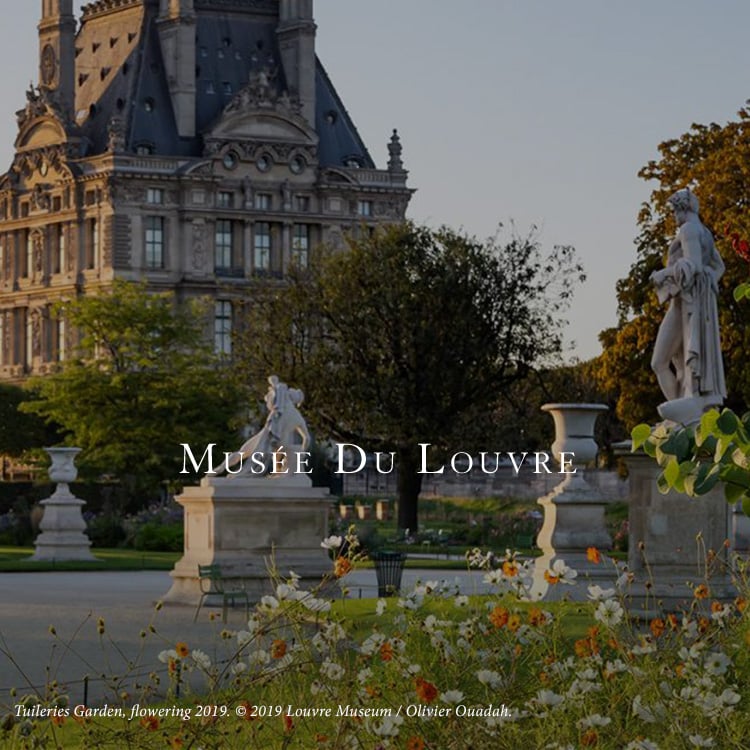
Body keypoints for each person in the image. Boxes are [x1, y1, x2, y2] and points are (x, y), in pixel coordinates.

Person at [650, 188, 726, 409]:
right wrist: (708, 285)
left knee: (659, 362)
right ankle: (685, 410)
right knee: (678, 362)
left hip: (684, 305)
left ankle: (683, 412)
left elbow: (692, 265)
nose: (674, 218)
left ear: (682, 209)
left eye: (674, 212)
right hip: (695, 302)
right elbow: (718, 267)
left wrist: (661, 275)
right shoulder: (705, 233)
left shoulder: (688, 229)